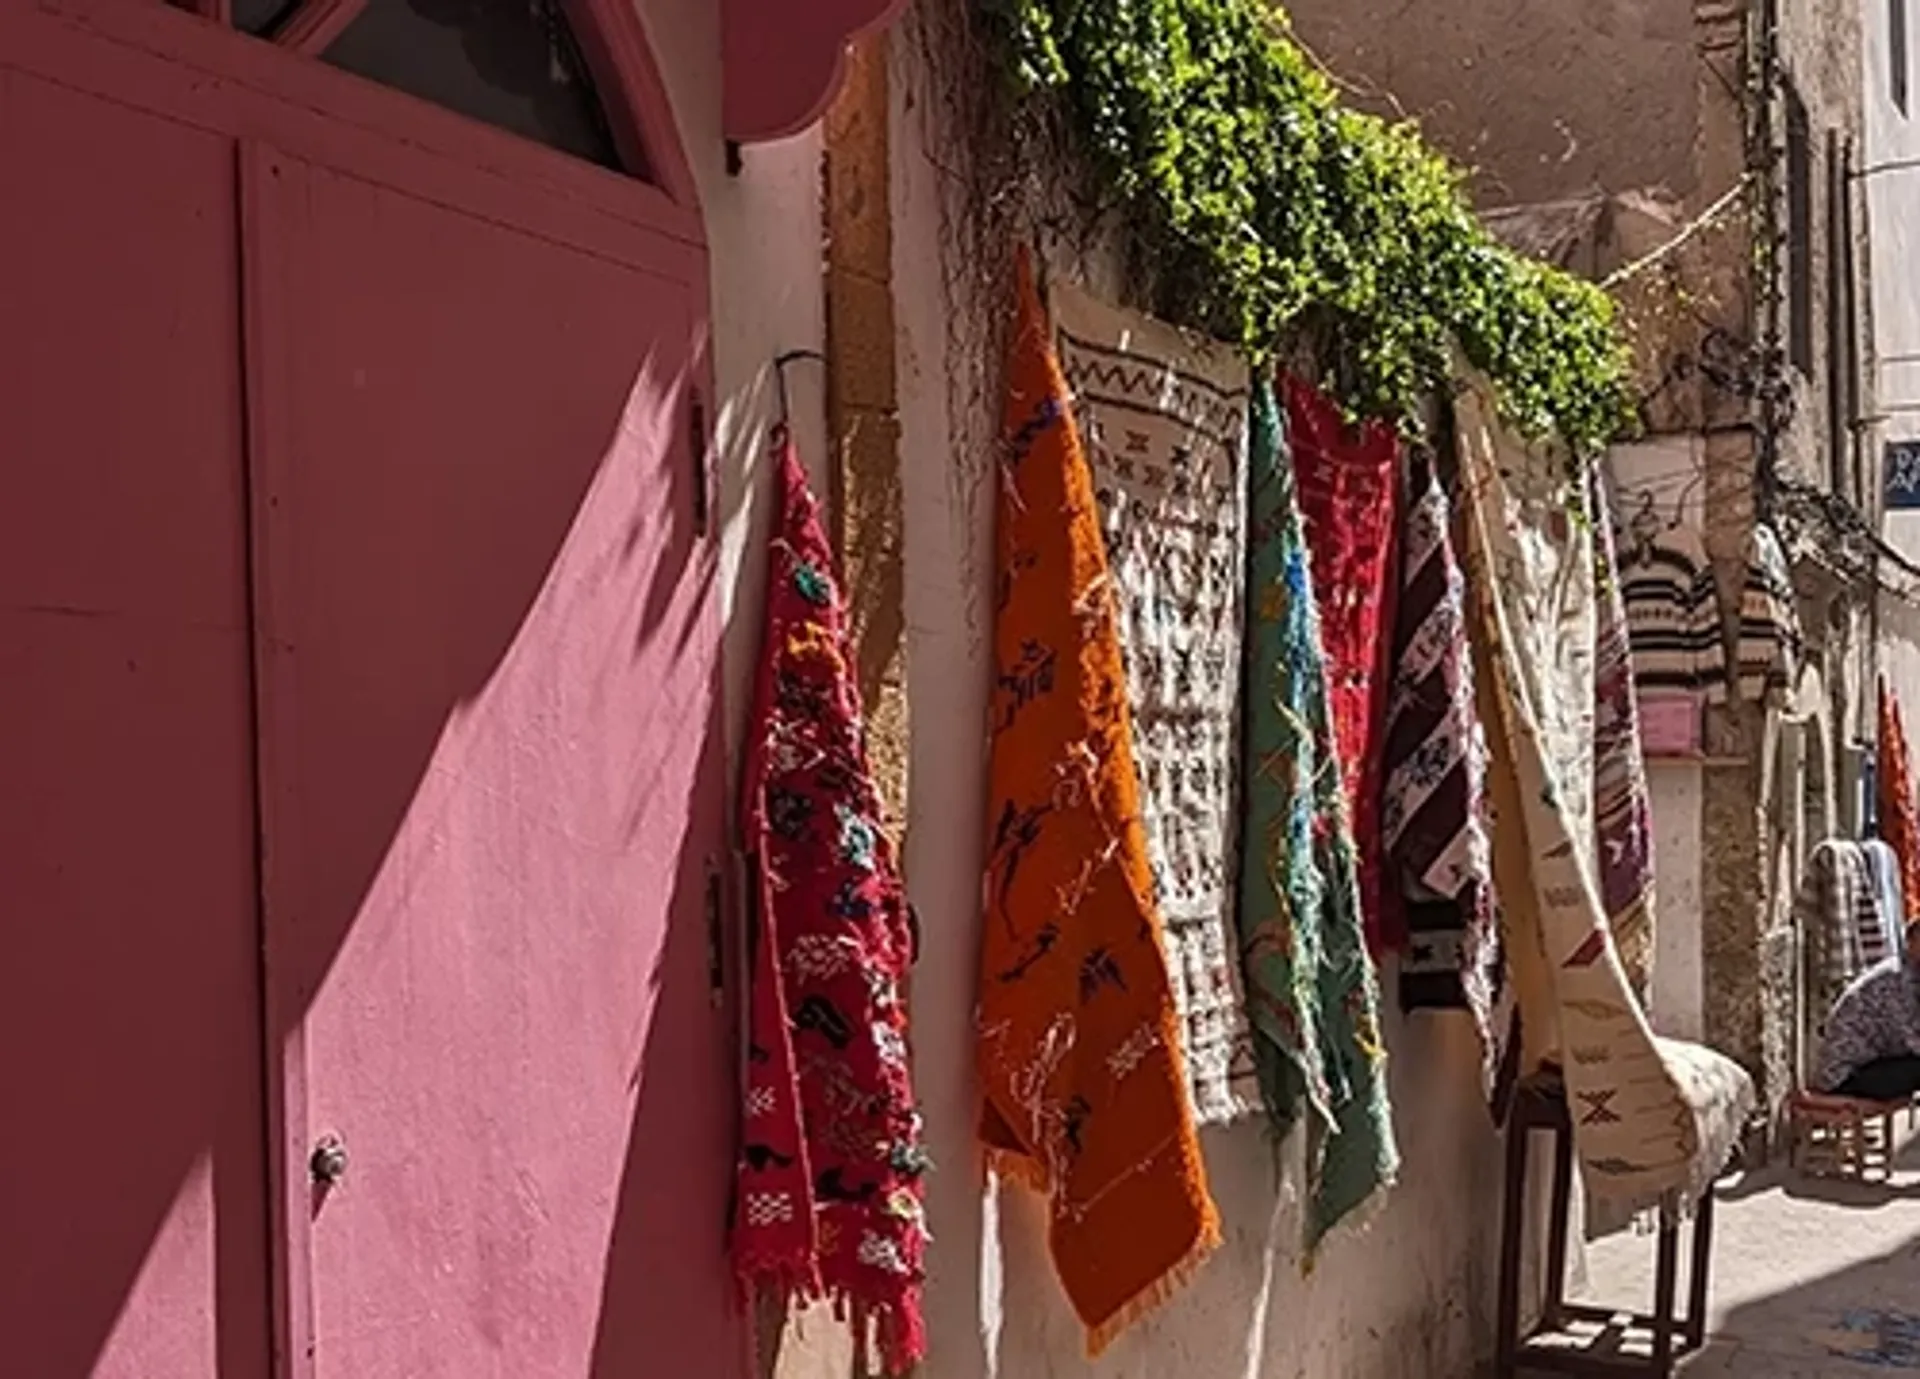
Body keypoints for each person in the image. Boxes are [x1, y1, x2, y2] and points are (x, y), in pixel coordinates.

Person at [1814, 918, 1920, 1101]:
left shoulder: (1909, 974)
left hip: (1871, 1064)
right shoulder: (1895, 978)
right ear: (1911, 942)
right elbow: (1911, 1037)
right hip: (1845, 1077)